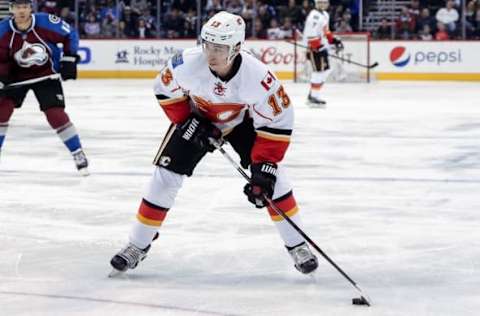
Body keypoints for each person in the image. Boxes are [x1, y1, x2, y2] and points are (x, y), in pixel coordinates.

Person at [110, 11, 319, 276]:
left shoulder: (258, 77)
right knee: (164, 176)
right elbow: (163, 88)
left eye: (220, 48)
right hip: (197, 118)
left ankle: (297, 245)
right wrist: (186, 121)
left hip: (242, 122)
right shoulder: (186, 64)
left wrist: (265, 165)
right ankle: (137, 245)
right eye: (208, 45)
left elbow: (277, 121)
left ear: (237, 47)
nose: (211, 54)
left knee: (274, 181)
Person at [0, 0, 88, 175]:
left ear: (30, 8)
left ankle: (77, 152)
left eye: (25, 7)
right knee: (2, 111)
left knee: (55, 114)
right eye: (18, 7)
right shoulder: (2, 30)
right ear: (11, 10)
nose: (22, 11)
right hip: (16, 78)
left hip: (46, 75)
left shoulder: (46, 22)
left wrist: (69, 58)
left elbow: (71, 34)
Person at [302, 0, 343, 107]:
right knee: (318, 72)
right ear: (316, 3)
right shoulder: (314, 16)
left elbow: (326, 31)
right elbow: (311, 34)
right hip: (314, 48)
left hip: (322, 47)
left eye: (325, 2)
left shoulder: (325, 14)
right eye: (320, 2)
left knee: (326, 70)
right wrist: (317, 47)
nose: (323, 4)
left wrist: (333, 40)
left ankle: (313, 94)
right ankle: (314, 96)